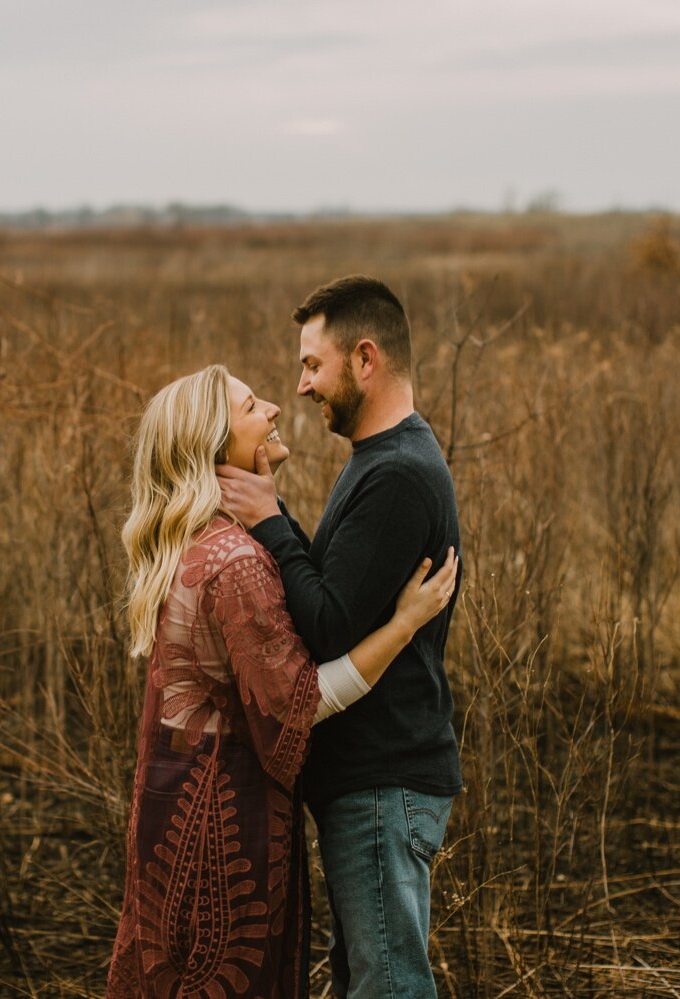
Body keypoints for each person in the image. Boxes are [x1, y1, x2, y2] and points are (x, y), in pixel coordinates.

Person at [106, 364, 458, 999]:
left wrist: (271, 513)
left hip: (175, 813)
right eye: (249, 407)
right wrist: (404, 624)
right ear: (217, 447)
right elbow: (304, 699)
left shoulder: (199, 542)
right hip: (223, 829)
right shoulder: (236, 561)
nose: (273, 406)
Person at [217, 276, 463, 998]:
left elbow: (324, 627)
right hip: (372, 780)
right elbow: (334, 591)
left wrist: (267, 521)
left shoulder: (397, 476)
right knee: (370, 978)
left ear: (365, 359)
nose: (300, 386)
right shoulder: (382, 457)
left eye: (312, 366)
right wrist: (276, 509)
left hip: (384, 782)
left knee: (388, 987)